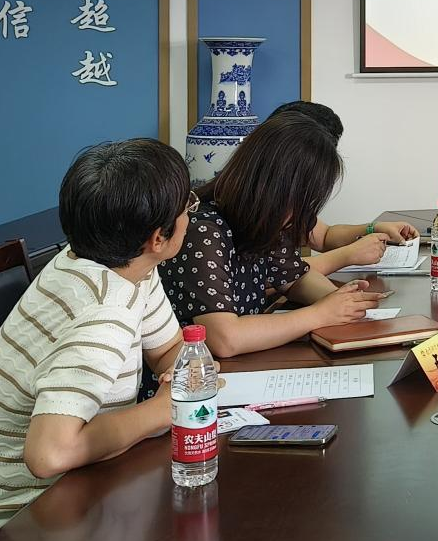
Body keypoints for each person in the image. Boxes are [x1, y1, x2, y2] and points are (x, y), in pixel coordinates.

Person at [0, 140, 191, 537]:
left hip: (72, 485)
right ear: (157, 239)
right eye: (187, 207)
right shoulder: (104, 315)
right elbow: (48, 455)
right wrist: (163, 409)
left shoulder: (118, 264)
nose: (189, 216)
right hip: (13, 514)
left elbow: (168, 348)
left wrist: (182, 371)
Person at [160, 111, 385, 358]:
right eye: (301, 202)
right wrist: (320, 313)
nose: (302, 214)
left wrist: (343, 301)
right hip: (195, 375)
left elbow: (295, 278)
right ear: (275, 190)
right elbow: (224, 339)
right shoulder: (202, 231)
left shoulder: (260, 222)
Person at [265, 101, 419, 275]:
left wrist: (374, 228)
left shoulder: (288, 193)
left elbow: (324, 236)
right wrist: (347, 255)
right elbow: (272, 274)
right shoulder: (254, 200)